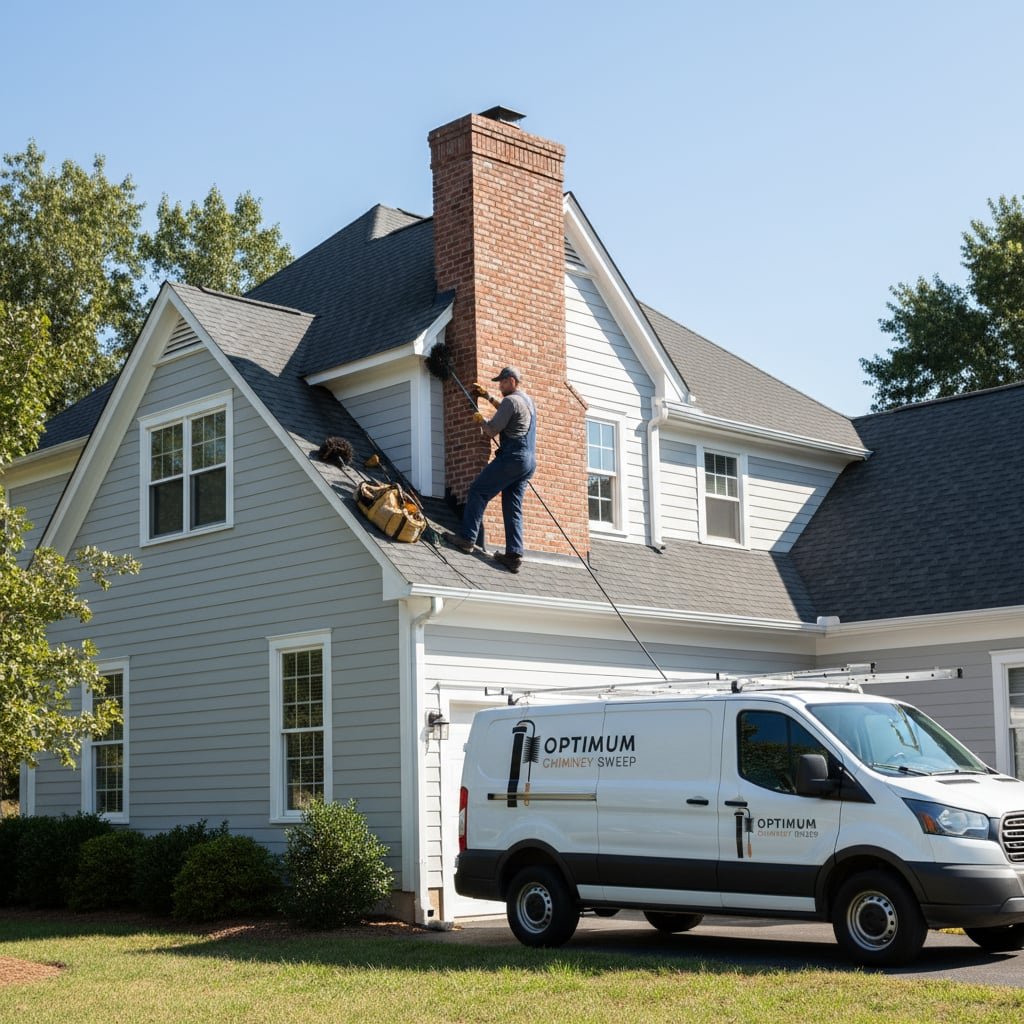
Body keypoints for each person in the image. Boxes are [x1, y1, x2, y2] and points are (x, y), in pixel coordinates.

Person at [450, 367, 536, 573]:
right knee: (512, 506)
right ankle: (513, 556)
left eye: (502, 382)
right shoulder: (527, 401)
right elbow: (509, 415)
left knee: (479, 490)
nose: (500, 386)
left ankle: (467, 538)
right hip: (528, 462)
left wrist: (481, 420)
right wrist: (488, 397)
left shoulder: (511, 401)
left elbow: (491, 430)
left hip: (512, 458)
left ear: (512, 381)